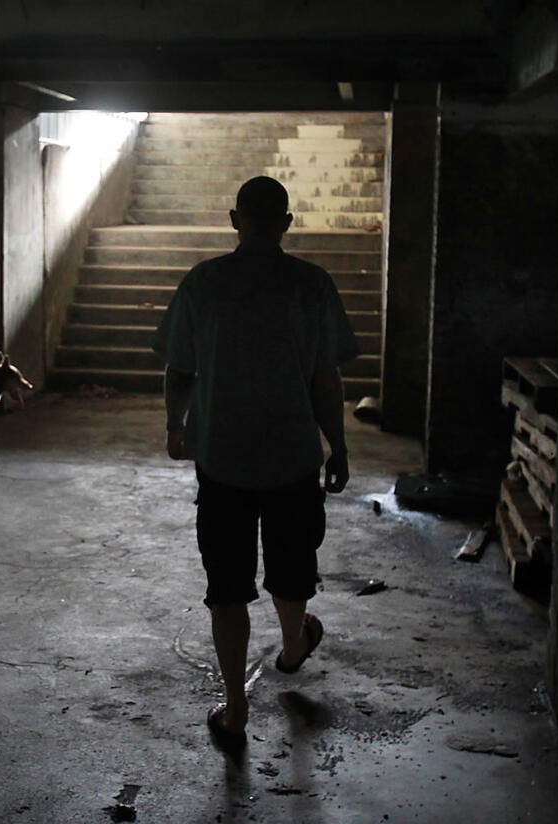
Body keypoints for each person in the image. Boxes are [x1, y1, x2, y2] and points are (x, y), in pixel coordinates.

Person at [151, 175, 359, 751]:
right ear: (287, 224)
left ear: (234, 220)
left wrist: (176, 425)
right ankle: (293, 647)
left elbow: (179, 369)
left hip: (222, 459)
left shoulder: (204, 283)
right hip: (292, 456)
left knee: (227, 584)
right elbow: (325, 377)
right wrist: (337, 445)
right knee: (292, 566)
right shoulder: (311, 285)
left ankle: (237, 709)